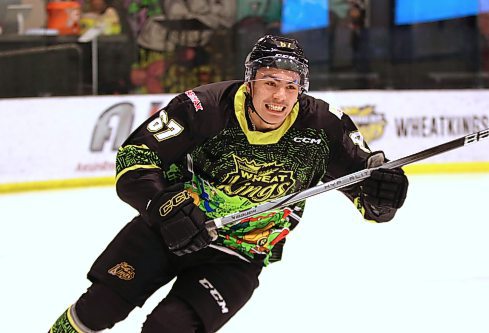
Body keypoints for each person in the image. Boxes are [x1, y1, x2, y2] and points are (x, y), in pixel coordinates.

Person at [49, 35, 409, 332]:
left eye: (290, 86)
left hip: (240, 254)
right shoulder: (203, 108)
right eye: (269, 83)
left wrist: (382, 195)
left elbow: (371, 197)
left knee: (169, 328)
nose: (279, 97)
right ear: (250, 81)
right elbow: (134, 159)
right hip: (168, 229)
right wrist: (161, 205)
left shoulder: (324, 127)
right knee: (97, 309)